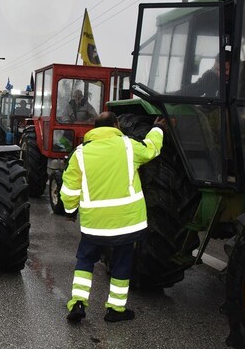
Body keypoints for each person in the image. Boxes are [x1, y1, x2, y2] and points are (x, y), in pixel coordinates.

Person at [60, 111, 166, 323]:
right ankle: (116, 310)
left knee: (85, 261)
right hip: (125, 224)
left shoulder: (80, 154)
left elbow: (70, 189)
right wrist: (158, 129)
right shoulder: (127, 146)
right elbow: (152, 149)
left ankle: (78, 303)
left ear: (94, 128)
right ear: (116, 124)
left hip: (94, 226)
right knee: (121, 264)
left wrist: (70, 211)